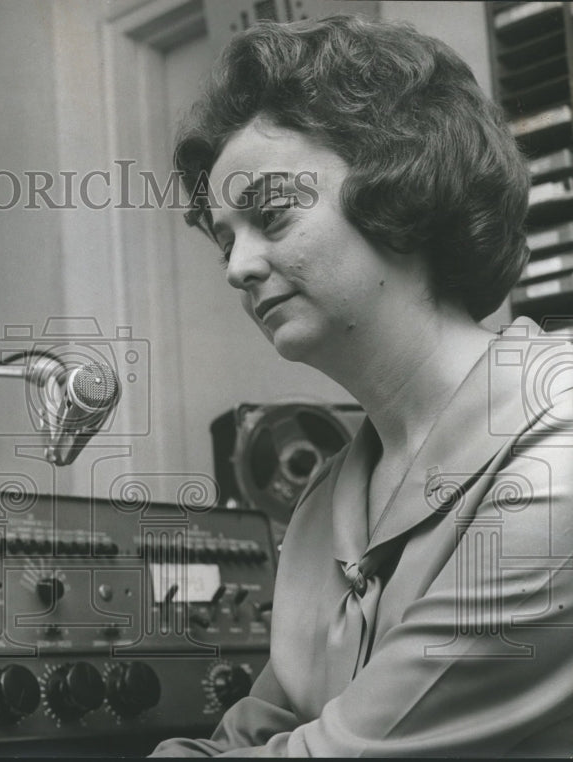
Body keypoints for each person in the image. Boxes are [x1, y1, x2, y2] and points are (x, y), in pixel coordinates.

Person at [151, 14, 573, 756]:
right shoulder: (323, 505)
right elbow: (250, 737)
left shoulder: (558, 447)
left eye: (271, 216)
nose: (236, 268)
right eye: (225, 238)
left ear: (402, 186)